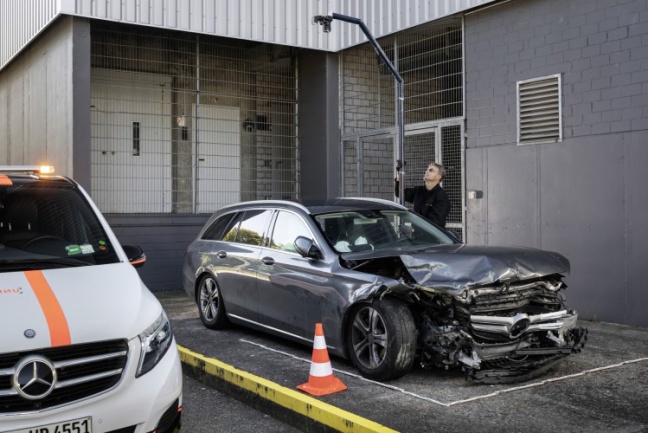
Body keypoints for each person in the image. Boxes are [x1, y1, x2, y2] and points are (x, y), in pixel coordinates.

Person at [402, 162, 451, 228]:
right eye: (427, 169)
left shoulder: (441, 197)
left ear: (438, 177)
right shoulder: (419, 190)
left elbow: (435, 223)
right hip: (417, 233)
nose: (426, 171)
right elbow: (401, 193)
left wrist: (412, 228)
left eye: (431, 170)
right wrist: (399, 174)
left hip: (432, 236)